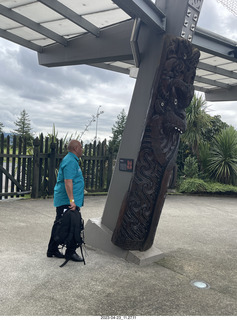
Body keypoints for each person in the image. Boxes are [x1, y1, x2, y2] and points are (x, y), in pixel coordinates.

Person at [47, 140, 85, 262]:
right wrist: (72, 201)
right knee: (72, 225)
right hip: (67, 200)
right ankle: (71, 252)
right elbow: (68, 182)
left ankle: (52, 249)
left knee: (60, 224)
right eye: (80, 147)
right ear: (75, 148)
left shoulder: (72, 160)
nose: (82, 149)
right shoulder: (70, 162)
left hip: (67, 200)